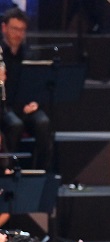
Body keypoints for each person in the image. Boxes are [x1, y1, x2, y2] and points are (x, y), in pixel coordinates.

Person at [0, 8, 54, 171]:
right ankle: (8, 170)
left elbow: (38, 85)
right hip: (5, 107)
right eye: (15, 29)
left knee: (43, 122)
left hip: (26, 106)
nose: (19, 34)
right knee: (14, 124)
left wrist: (35, 102)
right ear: (4, 28)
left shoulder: (30, 55)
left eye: (22, 30)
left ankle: (41, 172)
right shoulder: (0, 54)